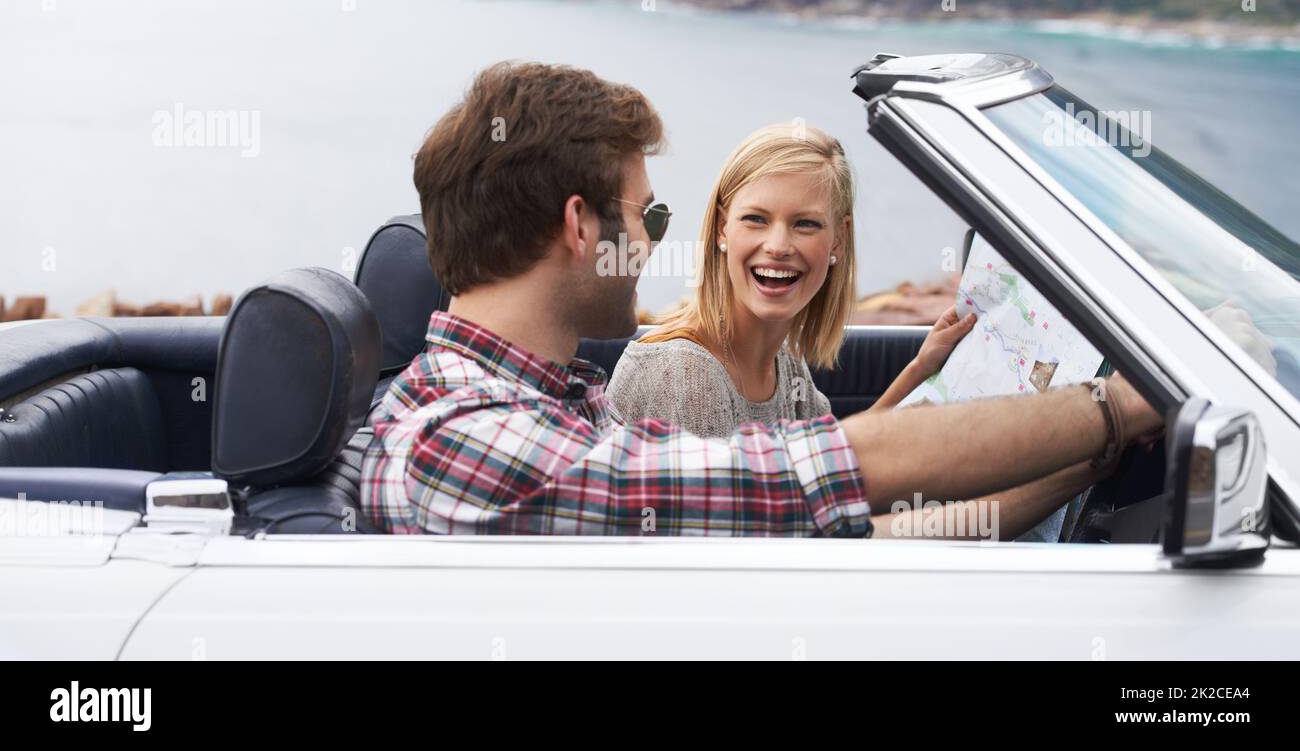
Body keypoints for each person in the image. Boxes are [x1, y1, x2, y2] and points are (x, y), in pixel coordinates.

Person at [360, 61, 1163, 540]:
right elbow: (822, 471)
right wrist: (1126, 400)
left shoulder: (555, 402)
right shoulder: (458, 442)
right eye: (649, 216)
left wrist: (1077, 462)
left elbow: (835, 517)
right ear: (580, 225)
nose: (650, 246)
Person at [607, 122, 973, 437]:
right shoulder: (685, 374)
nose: (778, 246)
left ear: (839, 240)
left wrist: (921, 367)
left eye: (805, 224)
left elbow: (830, 459)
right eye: (756, 219)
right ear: (722, 228)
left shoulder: (784, 363)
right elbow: (768, 514)